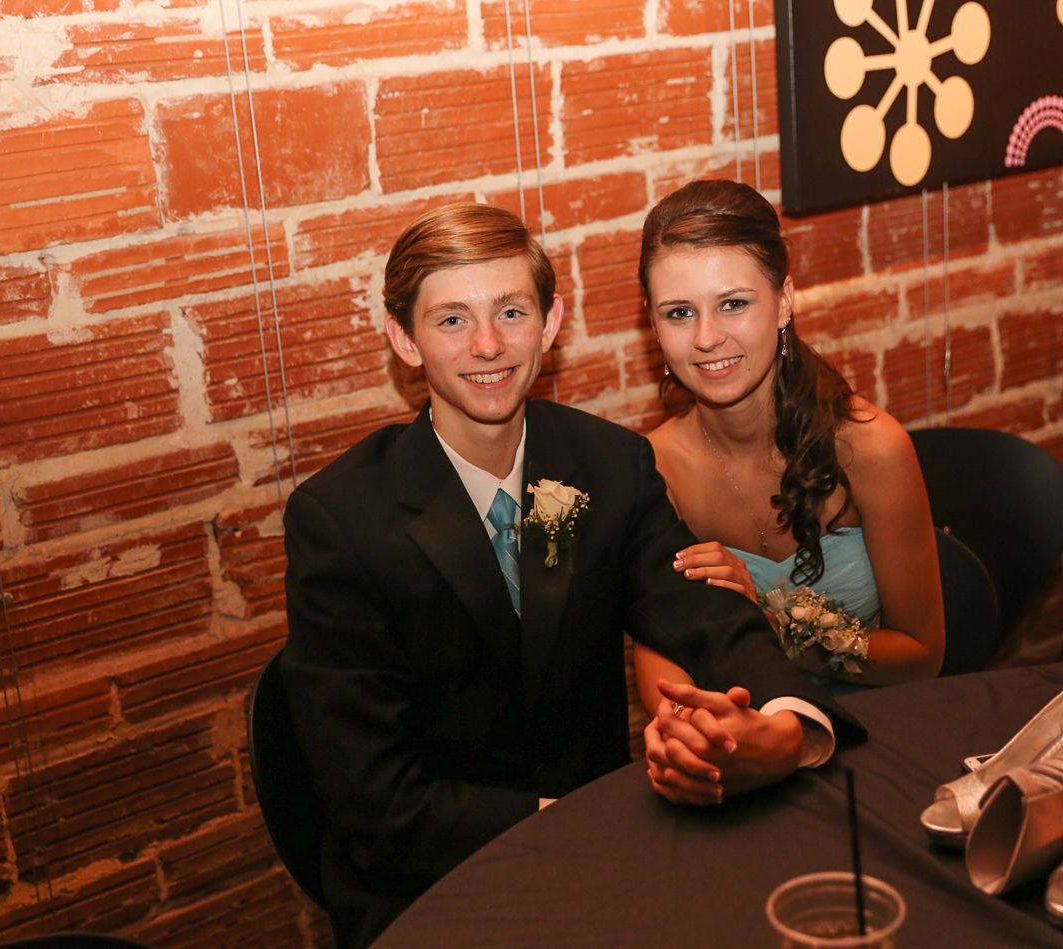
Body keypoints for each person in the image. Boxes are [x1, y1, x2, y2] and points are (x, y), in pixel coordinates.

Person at [281, 202, 863, 948]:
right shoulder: (341, 519)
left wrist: (790, 725)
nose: (488, 345)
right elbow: (373, 802)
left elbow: (704, 615)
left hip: (609, 870)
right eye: (452, 320)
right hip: (436, 886)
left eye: (511, 312)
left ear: (551, 322)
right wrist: (582, 822)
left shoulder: (604, 465)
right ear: (404, 339)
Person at [633, 179, 944, 716]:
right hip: (742, 735)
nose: (705, 338)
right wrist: (690, 729)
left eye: (733, 304)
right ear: (653, 324)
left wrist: (777, 629)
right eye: (679, 312)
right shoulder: (651, 470)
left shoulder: (870, 447)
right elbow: (665, 668)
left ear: (784, 303)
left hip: (882, 728)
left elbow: (921, 657)